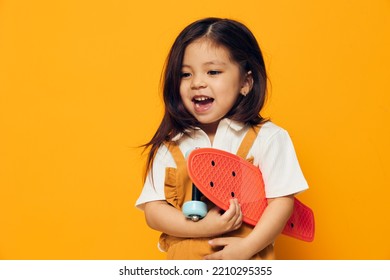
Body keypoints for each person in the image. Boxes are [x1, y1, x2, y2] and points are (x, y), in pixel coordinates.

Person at [136, 17, 308, 260]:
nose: (197, 83)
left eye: (213, 71)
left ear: (246, 82)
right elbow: (153, 212)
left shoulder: (268, 138)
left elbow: (281, 203)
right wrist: (202, 228)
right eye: (185, 74)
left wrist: (247, 248)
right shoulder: (170, 144)